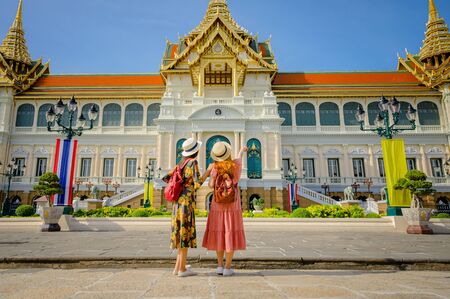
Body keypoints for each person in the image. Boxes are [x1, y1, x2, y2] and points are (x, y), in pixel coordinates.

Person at [202, 142, 247, 276]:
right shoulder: (235, 166)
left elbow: (210, 185)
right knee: (230, 232)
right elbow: (239, 158)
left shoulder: (214, 167)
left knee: (220, 233)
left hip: (218, 205)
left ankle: (220, 266)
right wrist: (241, 150)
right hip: (233, 204)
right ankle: (228, 267)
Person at [163, 137, 204, 277]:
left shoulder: (180, 163)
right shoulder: (192, 162)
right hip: (186, 203)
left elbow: (166, 178)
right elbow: (198, 183)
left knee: (180, 233)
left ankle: (177, 267)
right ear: (196, 151)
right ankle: (182, 270)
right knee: (184, 234)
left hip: (177, 203)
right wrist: (208, 172)